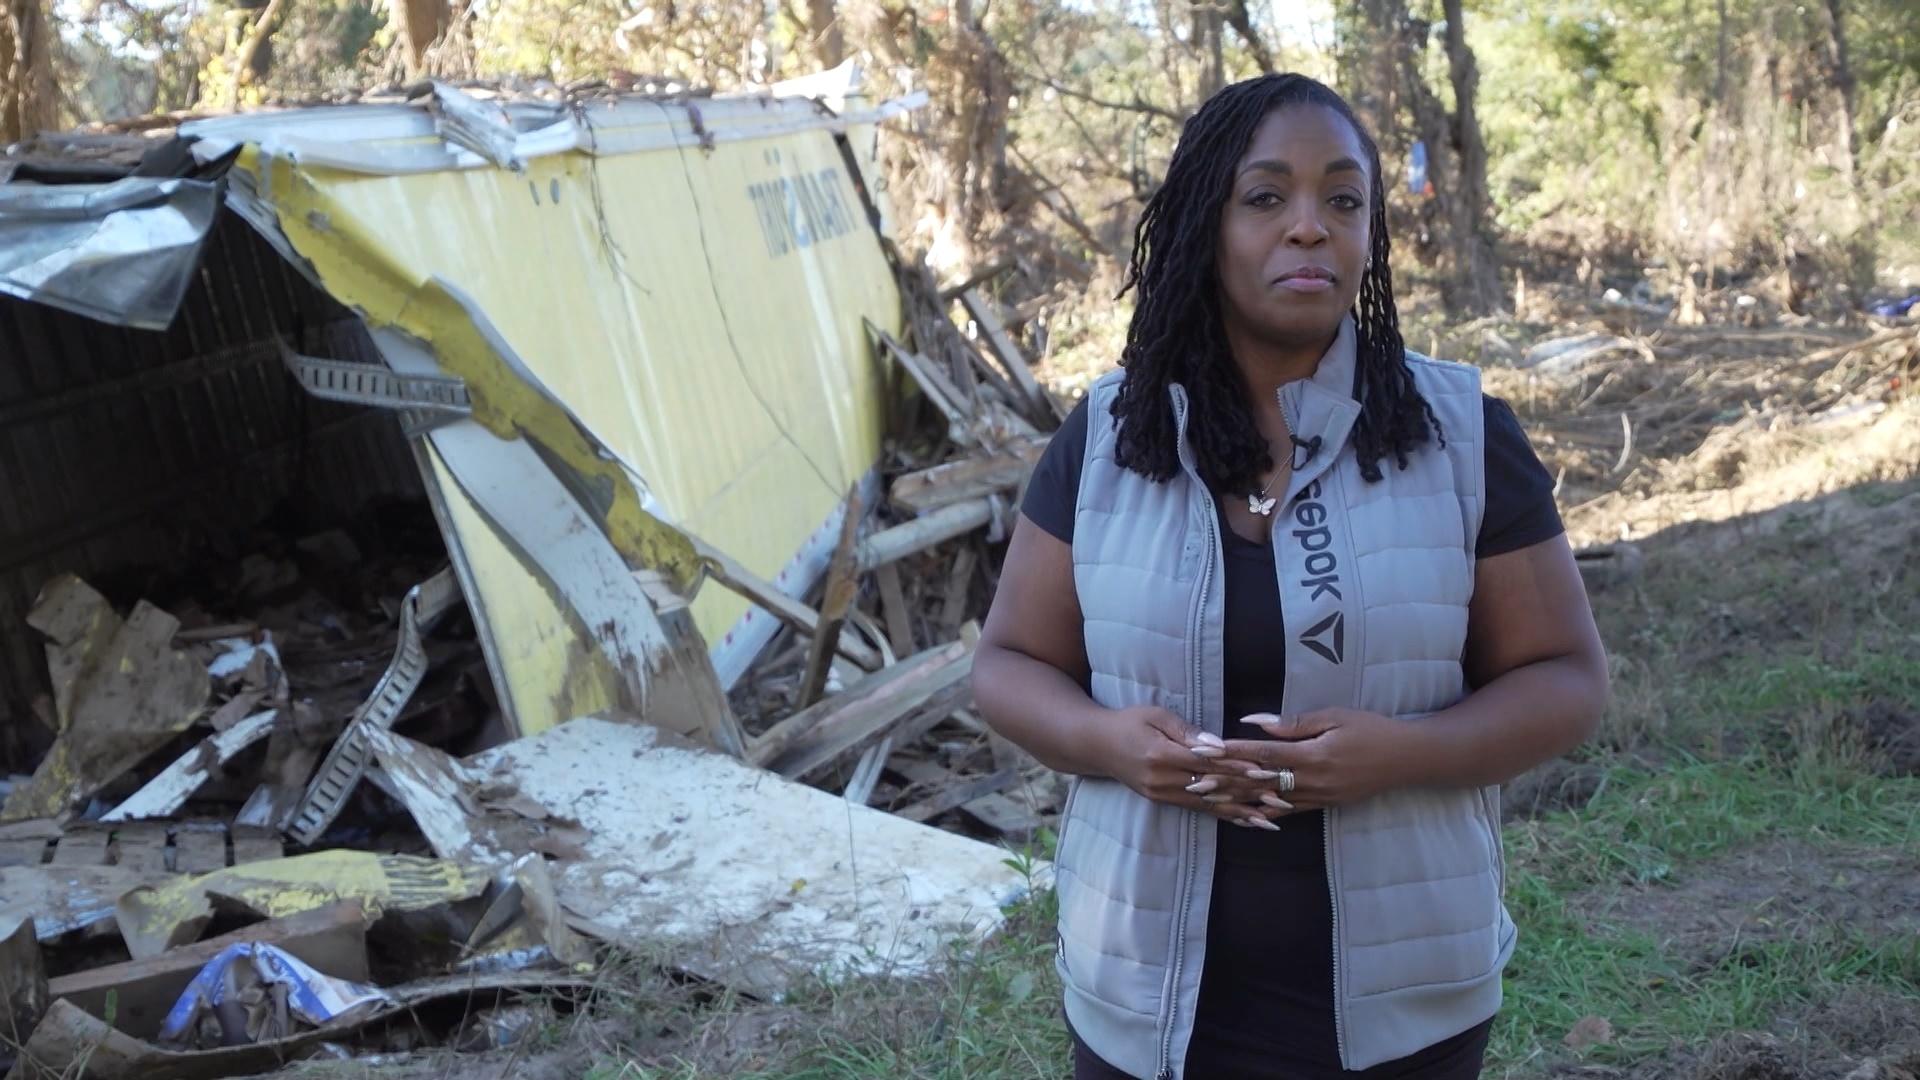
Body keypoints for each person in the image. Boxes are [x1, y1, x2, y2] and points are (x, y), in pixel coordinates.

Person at [972, 73, 1610, 1080]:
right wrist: (1107, 742)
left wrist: (1404, 753)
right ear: (1203, 225)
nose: (1310, 228)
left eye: (1342, 199)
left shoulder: (1459, 436)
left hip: (1403, 1008)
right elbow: (1008, 662)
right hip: (1146, 1001)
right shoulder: (1107, 437)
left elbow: (1566, 679)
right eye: (1266, 197)